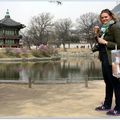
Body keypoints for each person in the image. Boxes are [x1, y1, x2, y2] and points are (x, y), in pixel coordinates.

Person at [93, 9, 120, 116]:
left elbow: (118, 44)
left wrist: (106, 42)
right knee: (108, 82)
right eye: (102, 17)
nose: (103, 19)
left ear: (111, 16)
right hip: (105, 57)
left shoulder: (116, 26)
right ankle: (107, 104)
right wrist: (97, 34)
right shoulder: (105, 28)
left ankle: (118, 108)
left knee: (116, 84)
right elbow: (99, 42)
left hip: (115, 58)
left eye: (105, 17)